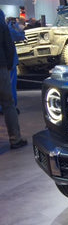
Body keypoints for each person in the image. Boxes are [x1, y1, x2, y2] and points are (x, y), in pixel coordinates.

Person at [0, 9, 27, 149]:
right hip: (2, 67)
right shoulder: (3, 25)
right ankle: (15, 139)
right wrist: (9, 65)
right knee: (8, 103)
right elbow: (9, 47)